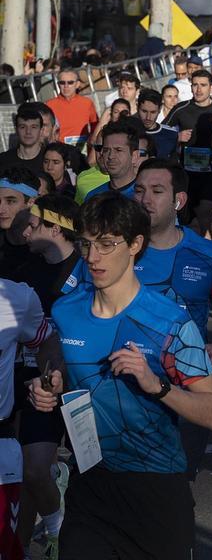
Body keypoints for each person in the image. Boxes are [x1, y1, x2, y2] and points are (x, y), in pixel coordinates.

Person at [32, 194, 212, 560]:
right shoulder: (67, 309)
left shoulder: (169, 321)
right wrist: (50, 379)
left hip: (155, 490)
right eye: (86, 244)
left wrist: (157, 386)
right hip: (90, 484)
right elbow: (57, 354)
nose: (92, 257)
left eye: (107, 245)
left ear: (136, 245)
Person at [124, 160, 212, 477]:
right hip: (122, 388)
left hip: (186, 388)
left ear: (179, 200)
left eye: (156, 191)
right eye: (139, 190)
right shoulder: (113, 249)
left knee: (174, 488)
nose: (144, 199)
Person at [11, 194, 77, 553]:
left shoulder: (89, 269)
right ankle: (52, 530)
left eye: (32, 224)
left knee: (94, 478)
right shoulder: (24, 273)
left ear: (56, 228)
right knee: (31, 471)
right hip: (39, 382)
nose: (24, 231)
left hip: (85, 383)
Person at [164, 70, 212, 146]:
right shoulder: (180, 108)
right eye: (195, 85)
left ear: (211, 88)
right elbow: (161, 132)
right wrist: (176, 137)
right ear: (191, 88)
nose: (198, 90)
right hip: (188, 157)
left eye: (203, 85)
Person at [85, 117, 147, 201]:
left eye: (118, 150)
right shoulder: (93, 197)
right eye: (106, 150)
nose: (111, 156)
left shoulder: (145, 197)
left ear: (134, 156)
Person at [46, 68, 98, 149]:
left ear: (77, 84)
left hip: (83, 150)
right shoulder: (49, 105)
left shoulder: (87, 103)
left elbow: (95, 125)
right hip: (60, 149)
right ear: (58, 84)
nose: (66, 86)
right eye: (62, 82)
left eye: (70, 82)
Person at [0, 103, 47, 176]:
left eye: (33, 127)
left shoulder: (49, 158)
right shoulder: (3, 160)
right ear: (16, 130)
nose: (28, 132)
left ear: (41, 130)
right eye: (23, 127)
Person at [137, 90, 179, 161]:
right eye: (144, 111)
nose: (148, 117)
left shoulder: (172, 133)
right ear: (137, 108)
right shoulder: (129, 133)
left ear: (159, 109)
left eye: (153, 112)